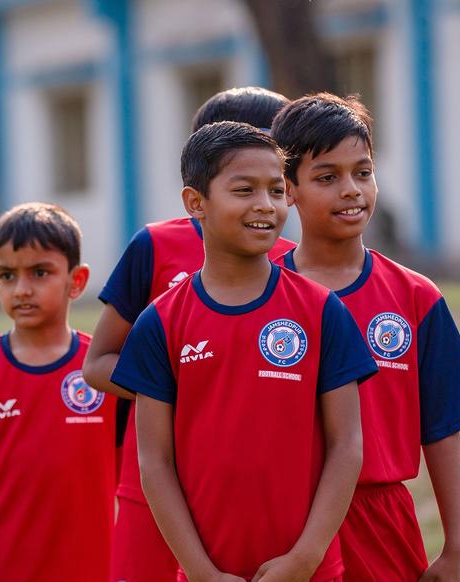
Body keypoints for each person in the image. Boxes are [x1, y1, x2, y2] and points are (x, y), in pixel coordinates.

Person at [112, 121, 378, 581]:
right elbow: (153, 462)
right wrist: (202, 572)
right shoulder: (160, 322)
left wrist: (306, 557)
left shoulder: (321, 311)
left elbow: (347, 444)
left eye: (276, 190)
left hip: (311, 571)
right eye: (244, 190)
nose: (265, 205)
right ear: (196, 203)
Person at [270, 93, 460, 581]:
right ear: (288, 189)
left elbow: (441, 425)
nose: (351, 189)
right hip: (281, 521)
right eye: (327, 177)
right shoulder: (260, 293)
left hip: (381, 521)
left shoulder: (416, 297)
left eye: (363, 172)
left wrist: (457, 545)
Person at [82, 86, 294, 582]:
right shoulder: (156, 245)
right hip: (153, 486)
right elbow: (99, 363)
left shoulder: (293, 265)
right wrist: (192, 400)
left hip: (253, 500)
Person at [0, 203, 116, 581]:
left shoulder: (104, 370)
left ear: (76, 281)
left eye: (40, 272)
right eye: (8, 275)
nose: (23, 288)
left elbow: (135, 482)